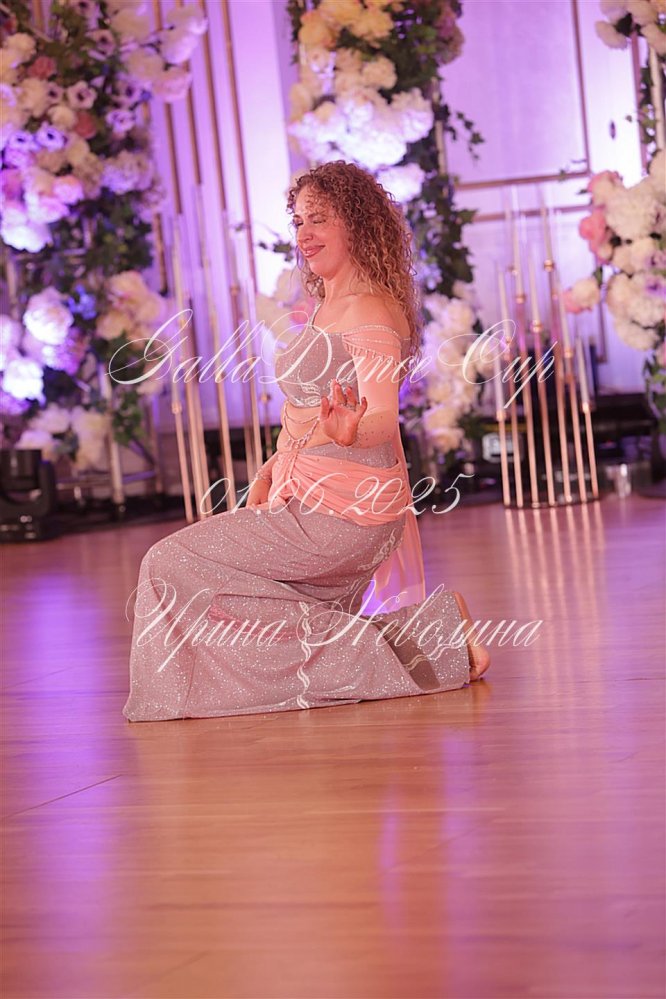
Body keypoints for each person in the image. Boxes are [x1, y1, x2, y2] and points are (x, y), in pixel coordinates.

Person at [122, 161, 490, 723]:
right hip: (311, 498)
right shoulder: (327, 304)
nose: (305, 234)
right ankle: (433, 635)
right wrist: (272, 466)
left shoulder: (368, 308)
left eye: (319, 218)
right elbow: (304, 413)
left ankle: (432, 644)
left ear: (357, 223)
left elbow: (381, 417)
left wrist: (350, 430)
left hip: (343, 514)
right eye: (298, 221)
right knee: (234, 597)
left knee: (171, 562)